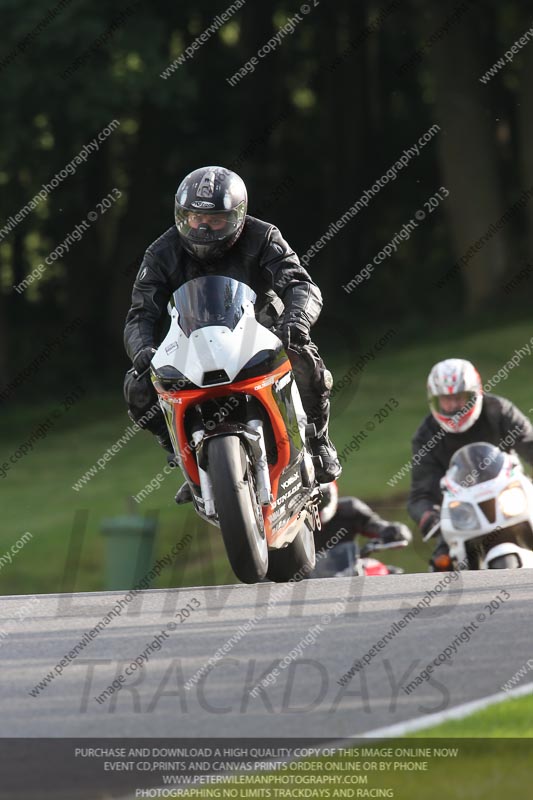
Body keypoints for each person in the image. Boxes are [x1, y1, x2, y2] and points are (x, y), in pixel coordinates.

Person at [123, 165, 341, 502]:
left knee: (304, 355)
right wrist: (143, 349)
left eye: (216, 220)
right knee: (137, 385)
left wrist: (295, 321)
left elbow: (301, 285)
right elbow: (141, 312)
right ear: (181, 216)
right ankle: (181, 453)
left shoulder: (263, 235)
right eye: (194, 218)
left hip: (260, 333)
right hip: (190, 342)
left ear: (238, 217)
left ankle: (318, 439)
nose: (203, 227)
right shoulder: (161, 252)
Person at [407, 357, 533, 570]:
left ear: (477, 393)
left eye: (460, 397)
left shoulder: (499, 410)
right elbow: (421, 493)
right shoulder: (425, 435)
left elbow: (529, 443)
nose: (454, 405)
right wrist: (429, 516)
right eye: (446, 399)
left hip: (507, 495)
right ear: (434, 400)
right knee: (441, 565)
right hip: (463, 511)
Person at [311, 482, 412, 577]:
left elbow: (375, 525)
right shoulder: (297, 523)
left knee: (378, 570)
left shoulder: (350, 509)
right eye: (312, 500)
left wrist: (394, 532)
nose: (317, 504)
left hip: (350, 570)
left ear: (332, 493)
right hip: (311, 578)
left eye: (321, 498)